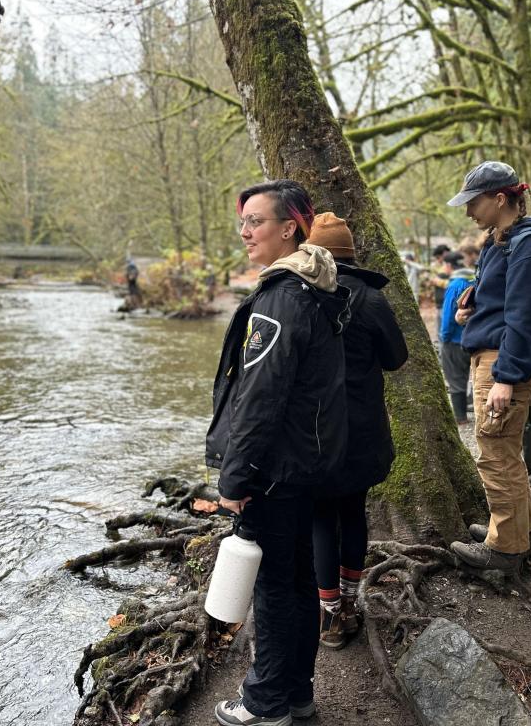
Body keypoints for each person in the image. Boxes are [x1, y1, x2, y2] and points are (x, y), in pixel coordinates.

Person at [206, 180, 351, 726]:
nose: (244, 232)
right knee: (294, 582)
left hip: (275, 470)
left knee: (274, 589)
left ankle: (266, 704)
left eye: (256, 222)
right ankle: (295, 694)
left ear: (289, 227)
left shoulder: (280, 299)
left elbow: (258, 399)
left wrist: (234, 479)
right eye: (242, 222)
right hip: (304, 466)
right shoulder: (315, 288)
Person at [448, 161, 531, 575]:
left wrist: (507, 377)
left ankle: (505, 553)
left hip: (504, 363)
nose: (468, 212)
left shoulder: (528, 244)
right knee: (506, 450)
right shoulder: (501, 240)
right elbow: (504, 301)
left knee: (495, 454)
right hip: (496, 354)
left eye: (473, 202)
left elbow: (527, 315)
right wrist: (473, 309)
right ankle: (516, 529)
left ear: (500, 199)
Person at [305, 213, 407, 649]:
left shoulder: (299, 296)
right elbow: (396, 358)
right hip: (363, 429)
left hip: (313, 433)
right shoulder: (371, 299)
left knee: (321, 518)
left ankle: (328, 615)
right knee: (353, 512)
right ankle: (348, 603)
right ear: (351, 253)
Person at [438, 251, 475, 423]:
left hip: (454, 340)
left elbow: (447, 317)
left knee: (455, 379)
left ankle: (460, 417)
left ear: (449, 266)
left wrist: (444, 337)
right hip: (473, 338)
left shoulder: (455, 285)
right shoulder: (474, 280)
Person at [430, 243, 452, 309]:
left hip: (448, 298)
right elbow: (431, 281)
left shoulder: (450, 265)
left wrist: (437, 281)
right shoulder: (434, 266)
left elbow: (450, 283)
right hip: (439, 298)